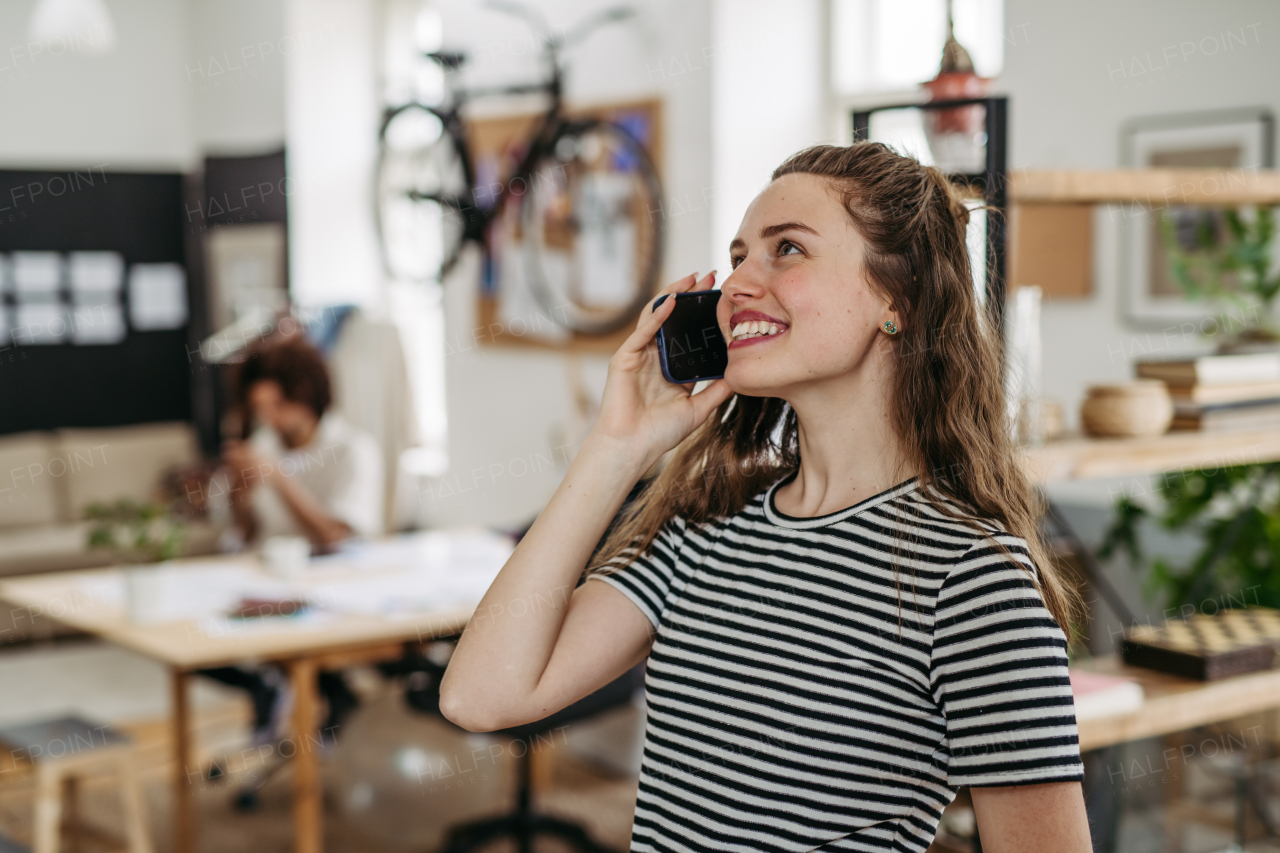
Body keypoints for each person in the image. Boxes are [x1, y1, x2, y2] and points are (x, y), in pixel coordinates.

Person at [439, 142, 1093, 851]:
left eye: (787, 249)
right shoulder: (702, 526)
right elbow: (481, 696)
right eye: (740, 255)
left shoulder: (971, 577)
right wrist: (616, 448)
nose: (739, 283)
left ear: (895, 300)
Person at [203, 336, 383, 744]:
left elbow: (336, 537)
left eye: (278, 405)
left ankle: (323, 695)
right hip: (263, 578)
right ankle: (266, 685)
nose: (269, 418)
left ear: (307, 397)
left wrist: (280, 478)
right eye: (259, 408)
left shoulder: (352, 450)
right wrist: (240, 492)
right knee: (186, 629)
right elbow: (244, 533)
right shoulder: (260, 446)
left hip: (327, 585)